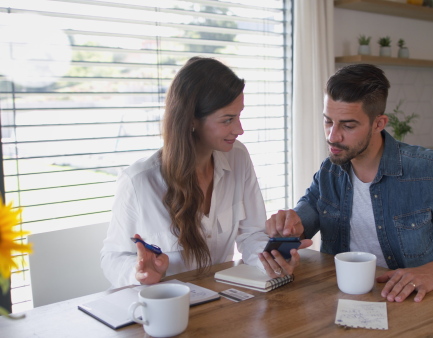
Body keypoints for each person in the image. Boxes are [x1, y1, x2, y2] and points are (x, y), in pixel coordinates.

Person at [266, 64, 433, 303]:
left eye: (348, 125)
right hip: (353, 303)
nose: (333, 136)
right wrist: (287, 228)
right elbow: (304, 217)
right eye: (328, 121)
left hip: (428, 306)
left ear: (379, 124)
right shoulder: (330, 171)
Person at [101, 57, 311, 288]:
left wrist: (273, 259)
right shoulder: (139, 182)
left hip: (220, 300)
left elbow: (251, 235)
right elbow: (113, 258)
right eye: (228, 120)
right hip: (167, 306)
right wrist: (139, 274)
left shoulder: (238, 157)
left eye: (239, 116)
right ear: (192, 120)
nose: (239, 129)